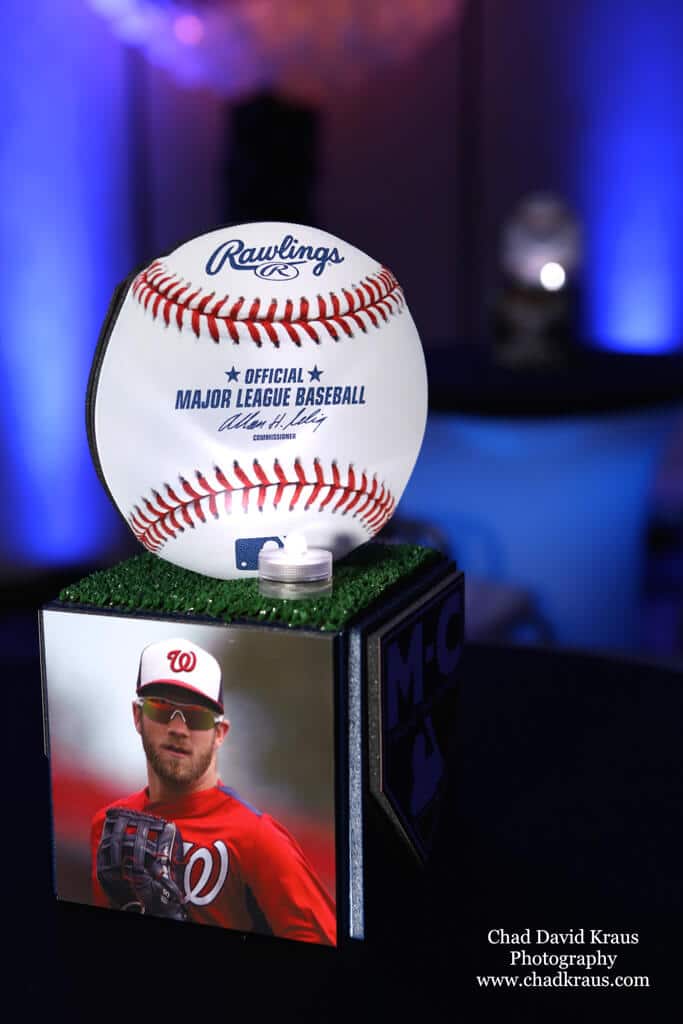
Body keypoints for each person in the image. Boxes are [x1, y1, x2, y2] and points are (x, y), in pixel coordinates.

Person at [90, 636, 336, 946]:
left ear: (219, 733)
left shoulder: (257, 839)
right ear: (138, 717)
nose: (178, 729)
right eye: (161, 709)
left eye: (196, 717)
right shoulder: (107, 826)